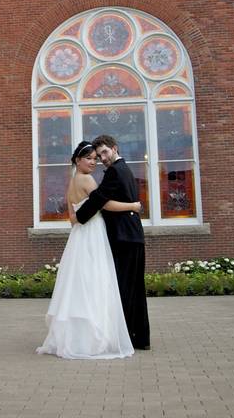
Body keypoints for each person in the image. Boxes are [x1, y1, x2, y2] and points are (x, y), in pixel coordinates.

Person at [36, 141, 141, 359]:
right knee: (96, 282)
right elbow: (105, 203)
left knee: (79, 283)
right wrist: (132, 206)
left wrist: (77, 218)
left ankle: (76, 335)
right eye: (89, 158)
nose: (94, 162)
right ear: (77, 160)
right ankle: (94, 337)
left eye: (95, 158)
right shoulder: (87, 179)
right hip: (92, 234)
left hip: (78, 237)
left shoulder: (73, 181)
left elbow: (72, 217)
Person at [75, 134, 151, 350]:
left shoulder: (116, 171)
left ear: (114, 148)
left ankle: (127, 336)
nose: (102, 158)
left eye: (105, 152)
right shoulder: (123, 168)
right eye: (99, 156)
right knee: (134, 288)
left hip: (124, 238)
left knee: (124, 289)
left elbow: (100, 200)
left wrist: (79, 217)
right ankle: (140, 338)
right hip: (132, 236)